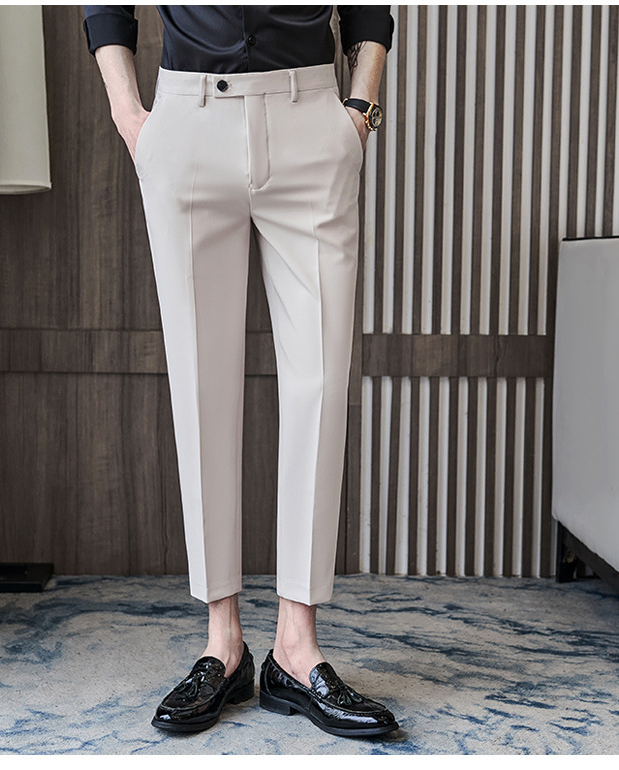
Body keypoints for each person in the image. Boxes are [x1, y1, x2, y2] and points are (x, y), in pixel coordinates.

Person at [82, 5, 398, 738]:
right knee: (201, 381)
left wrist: (359, 110)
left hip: (312, 116)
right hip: (188, 121)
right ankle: (222, 642)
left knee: (321, 382)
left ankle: (296, 647)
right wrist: (130, 116)